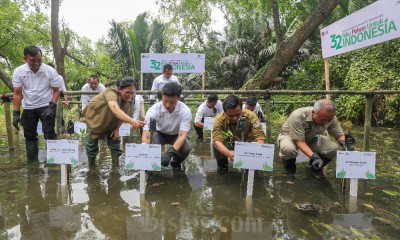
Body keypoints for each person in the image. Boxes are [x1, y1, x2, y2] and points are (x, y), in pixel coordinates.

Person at [12, 46, 60, 163]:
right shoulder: (19, 71)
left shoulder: (50, 70)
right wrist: (16, 113)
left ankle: (52, 163)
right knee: (29, 136)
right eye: (33, 60)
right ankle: (32, 164)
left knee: (49, 134)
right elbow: (17, 94)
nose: (37, 63)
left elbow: (56, 91)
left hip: (46, 105)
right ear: (25, 58)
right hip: (28, 107)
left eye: (39, 59)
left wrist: (52, 106)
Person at [83, 77, 144, 166]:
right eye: (127, 92)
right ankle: (92, 169)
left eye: (132, 92)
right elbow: (116, 110)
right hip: (96, 120)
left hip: (113, 121)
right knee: (91, 146)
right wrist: (133, 121)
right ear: (119, 89)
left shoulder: (131, 97)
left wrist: (117, 128)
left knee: (115, 144)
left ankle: (115, 169)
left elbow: (125, 111)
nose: (130, 95)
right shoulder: (110, 93)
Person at [277, 99, 345, 173]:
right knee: (289, 149)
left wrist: (344, 144)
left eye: (329, 120)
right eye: (323, 119)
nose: (326, 122)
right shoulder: (297, 115)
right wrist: (314, 157)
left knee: (333, 148)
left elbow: (339, 135)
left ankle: (315, 167)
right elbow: (299, 141)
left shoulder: (331, 117)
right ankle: (290, 170)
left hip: (310, 137)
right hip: (289, 136)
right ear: (313, 113)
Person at [142, 82, 191, 168]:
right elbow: (147, 134)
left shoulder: (185, 111)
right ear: (162, 96)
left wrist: (170, 153)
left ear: (178, 98)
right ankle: (153, 164)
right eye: (165, 101)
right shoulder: (154, 110)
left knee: (186, 148)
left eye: (172, 102)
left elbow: (182, 135)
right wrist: (146, 152)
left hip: (176, 135)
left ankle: (175, 163)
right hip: (160, 133)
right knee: (152, 147)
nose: (168, 105)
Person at [212, 95, 266, 170]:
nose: (234, 118)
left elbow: (260, 138)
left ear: (241, 109)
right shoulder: (219, 119)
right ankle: (223, 167)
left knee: (250, 168)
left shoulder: (252, 116)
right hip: (229, 142)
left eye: (237, 114)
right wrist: (228, 153)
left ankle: (250, 167)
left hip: (247, 143)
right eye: (230, 115)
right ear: (225, 113)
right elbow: (217, 141)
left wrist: (252, 152)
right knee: (216, 145)